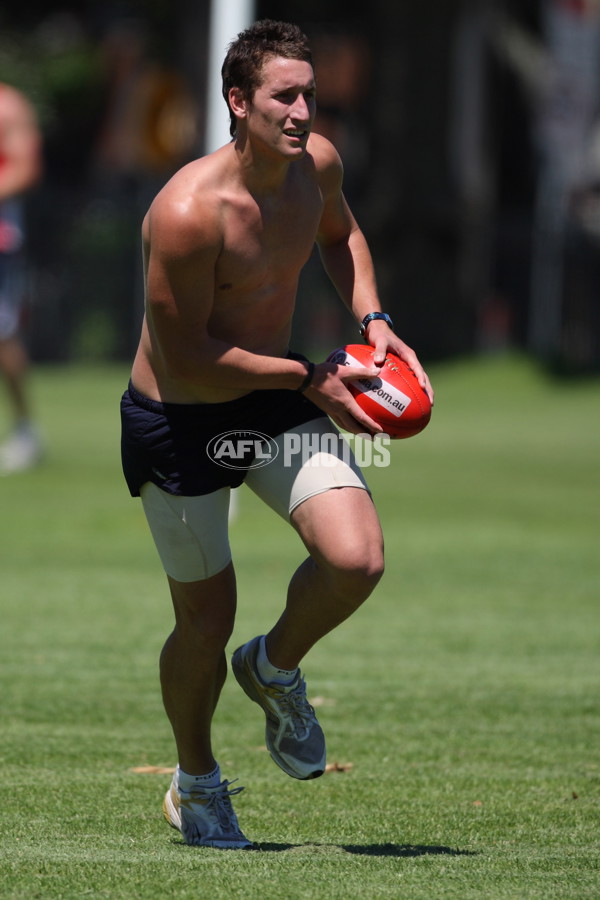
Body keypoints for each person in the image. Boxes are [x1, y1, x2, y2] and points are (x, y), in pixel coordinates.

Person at [120, 19, 433, 849]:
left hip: (271, 392)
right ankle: (196, 782)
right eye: (283, 97)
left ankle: (275, 666)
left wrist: (373, 320)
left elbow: (342, 235)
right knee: (204, 620)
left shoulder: (316, 168)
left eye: (309, 96)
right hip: (179, 417)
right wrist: (308, 378)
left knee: (355, 557)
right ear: (238, 102)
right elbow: (187, 355)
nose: (302, 113)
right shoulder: (186, 212)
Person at [0, 83, 43, 475]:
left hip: (1, 241)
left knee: (2, 336)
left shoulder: (9, 105)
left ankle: (25, 429)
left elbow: (25, 167)